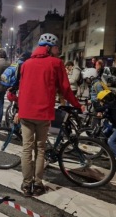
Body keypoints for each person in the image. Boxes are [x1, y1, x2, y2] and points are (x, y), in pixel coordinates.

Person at [15, 33, 83, 197]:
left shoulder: (26, 64)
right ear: (49, 47)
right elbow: (65, 88)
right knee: (40, 149)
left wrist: (18, 109)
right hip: (43, 113)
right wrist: (78, 105)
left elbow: (22, 89)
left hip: (26, 113)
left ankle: (26, 184)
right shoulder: (56, 63)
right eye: (56, 47)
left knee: (26, 149)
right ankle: (38, 184)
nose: (58, 50)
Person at [96, 90, 116, 169]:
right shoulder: (110, 105)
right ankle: (109, 154)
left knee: (111, 141)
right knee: (104, 135)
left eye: (100, 100)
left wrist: (96, 106)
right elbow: (107, 113)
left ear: (104, 99)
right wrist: (102, 115)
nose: (100, 102)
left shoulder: (111, 104)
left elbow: (99, 108)